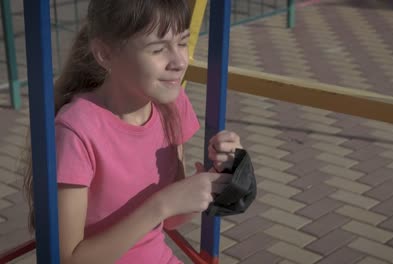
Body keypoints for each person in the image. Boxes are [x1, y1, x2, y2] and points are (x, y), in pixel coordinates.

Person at [23, 0, 243, 263]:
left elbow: (172, 220)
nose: (179, 61)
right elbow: (68, 259)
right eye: (159, 49)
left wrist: (214, 177)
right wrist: (162, 204)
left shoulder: (170, 106)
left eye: (182, 42)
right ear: (105, 54)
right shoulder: (76, 131)